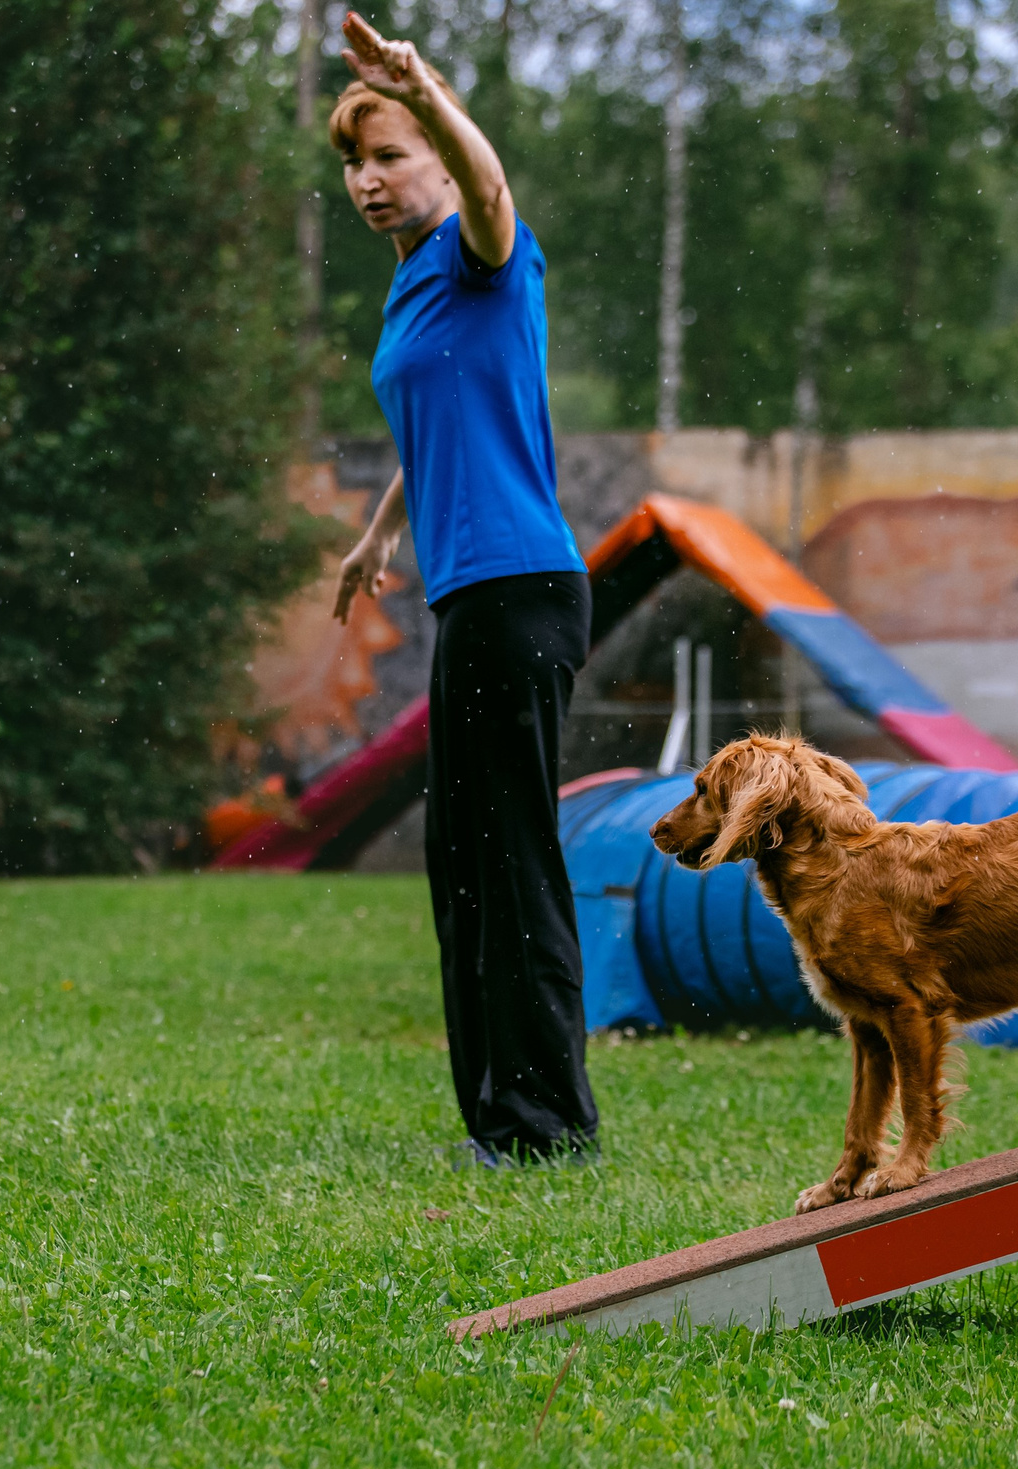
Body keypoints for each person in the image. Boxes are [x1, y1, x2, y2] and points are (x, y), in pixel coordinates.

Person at [328, 14, 597, 1165]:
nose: (370, 179)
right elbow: (437, 420)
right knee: (462, 863)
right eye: (355, 162)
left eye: (389, 153)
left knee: (511, 855)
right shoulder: (411, 294)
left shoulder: (485, 253)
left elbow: (489, 182)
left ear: (434, 155)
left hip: (520, 589)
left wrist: (421, 85)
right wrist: (377, 532)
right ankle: (498, 1113)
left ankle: (547, 1124)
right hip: (469, 597)